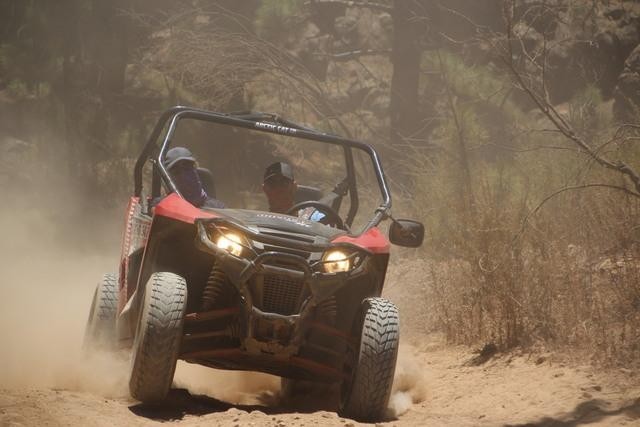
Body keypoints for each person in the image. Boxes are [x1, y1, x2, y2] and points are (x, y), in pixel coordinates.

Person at [262, 161, 326, 222]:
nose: (279, 188)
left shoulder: (314, 218)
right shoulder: (258, 223)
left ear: (294, 187)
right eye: (272, 184)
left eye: (284, 183)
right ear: (265, 189)